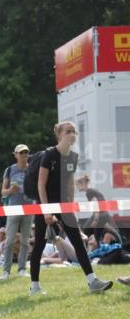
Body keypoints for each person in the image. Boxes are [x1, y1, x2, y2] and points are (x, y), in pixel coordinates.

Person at [28, 122, 112, 296]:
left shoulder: (73, 156)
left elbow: (69, 184)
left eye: (74, 131)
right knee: (39, 245)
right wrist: (46, 210)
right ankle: (34, 286)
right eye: (68, 131)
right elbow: (41, 185)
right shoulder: (49, 154)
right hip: (46, 204)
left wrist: (71, 206)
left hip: (64, 205)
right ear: (59, 135)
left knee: (78, 242)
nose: (72, 134)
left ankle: (93, 281)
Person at [0, 144, 33, 280]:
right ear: (15, 155)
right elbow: (3, 191)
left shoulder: (32, 168)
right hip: (13, 208)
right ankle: (6, 271)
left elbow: (38, 187)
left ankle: (22, 269)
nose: (24, 155)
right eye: (21, 153)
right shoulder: (9, 170)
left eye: (26, 152)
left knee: (25, 240)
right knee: (9, 240)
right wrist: (10, 191)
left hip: (29, 207)